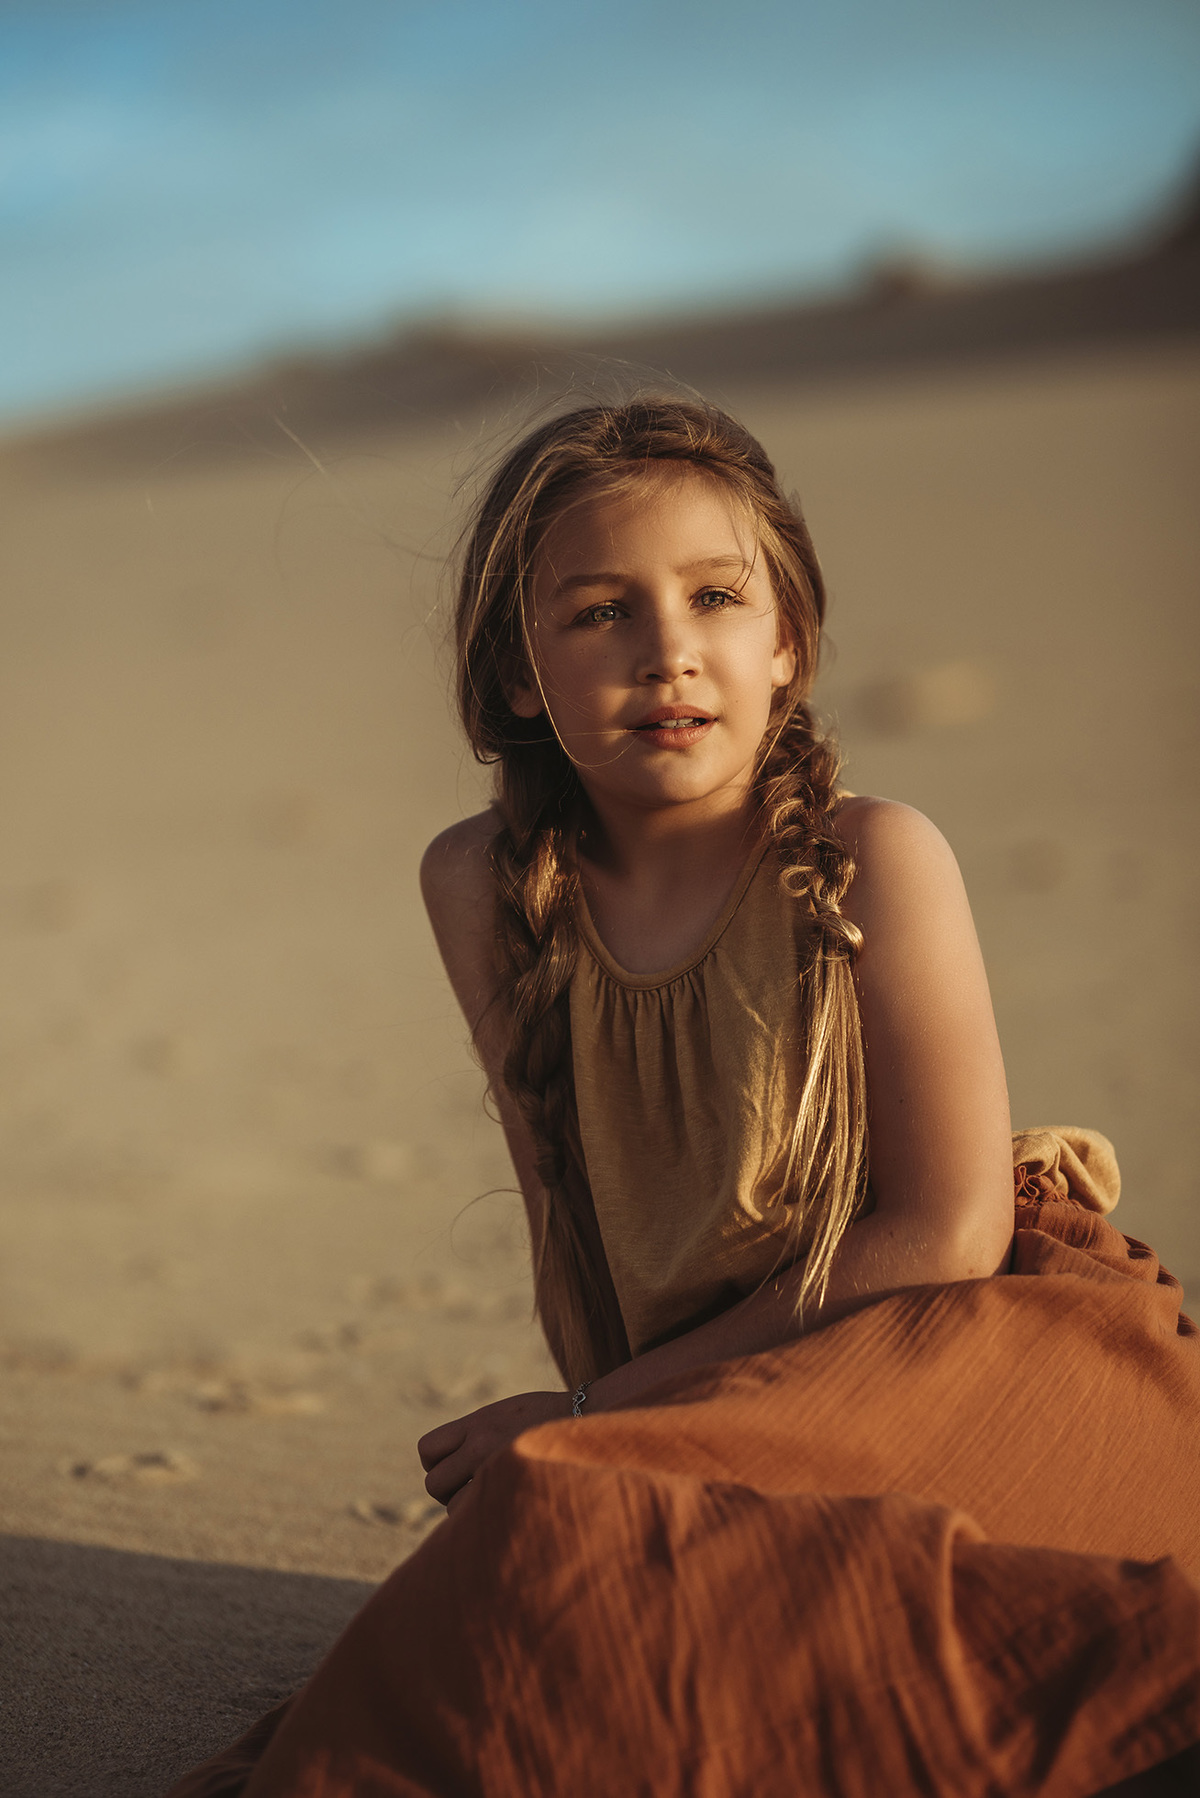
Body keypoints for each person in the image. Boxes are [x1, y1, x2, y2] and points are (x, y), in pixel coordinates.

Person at [169, 397, 1200, 1798]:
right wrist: (619, 1441)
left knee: (583, 1542)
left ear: (786, 642)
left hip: (954, 1350)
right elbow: (566, 1225)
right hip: (712, 1392)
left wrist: (594, 1416)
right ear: (521, 671)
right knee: (557, 1560)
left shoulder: (871, 857)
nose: (668, 651)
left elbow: (945, 1234)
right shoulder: (483, 888)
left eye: (716, 596)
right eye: (599, 612)